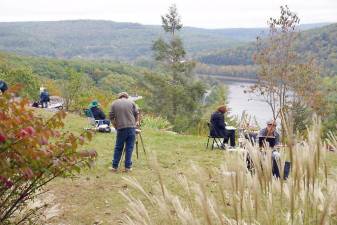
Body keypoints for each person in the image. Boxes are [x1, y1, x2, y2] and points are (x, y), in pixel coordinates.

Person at [109, 92, 139, 172]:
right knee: (129, 148)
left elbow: (111, 116)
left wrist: (115, 126)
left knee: (119, 147)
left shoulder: (114, 103)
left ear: (119, 97)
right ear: (126, 97)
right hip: (131, 128)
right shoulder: (132, 102)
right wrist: (135, 123)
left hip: (121, 128)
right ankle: (128, 167)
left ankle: (114, 167)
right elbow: (136, 114)